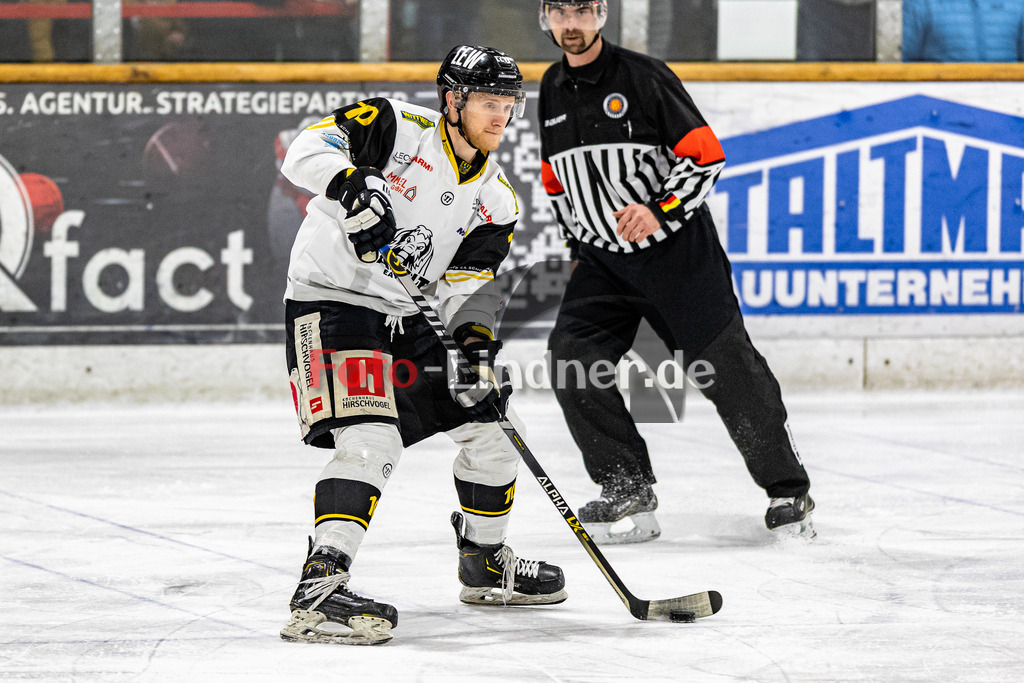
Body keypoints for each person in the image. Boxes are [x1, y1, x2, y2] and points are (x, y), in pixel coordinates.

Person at [278, 45, 566, 646]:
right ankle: (320, 588)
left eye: (508, 105)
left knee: (492, 426)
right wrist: (351, 183)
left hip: (407, 313)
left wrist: (475, 347)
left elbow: (466, 288)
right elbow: (303, 150)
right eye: (488, 102)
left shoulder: (497, 199)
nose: (500, 117)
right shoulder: (395, 127)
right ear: (452, 99)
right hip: (329, 301)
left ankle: (485, 564)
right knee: (370, 440)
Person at [536, 0, 814, 545]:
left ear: (603, 13)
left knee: (729, 373)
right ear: (545, 16)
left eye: (583, 11)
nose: (572, 24)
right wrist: (576, 242)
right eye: (560, 12)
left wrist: (657, 211)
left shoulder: (643, 76)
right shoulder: (548, 86)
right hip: (600, 262)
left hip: (677, 257)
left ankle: (787, 489)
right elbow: (553, 178)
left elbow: (705, 155)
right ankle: (626, 486)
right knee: (573, 361)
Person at [903, 0, 1024, 62]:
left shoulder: (1017, 4)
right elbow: (903, 66)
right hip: (940, 105)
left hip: (1008, 105)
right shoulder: (921, 3)